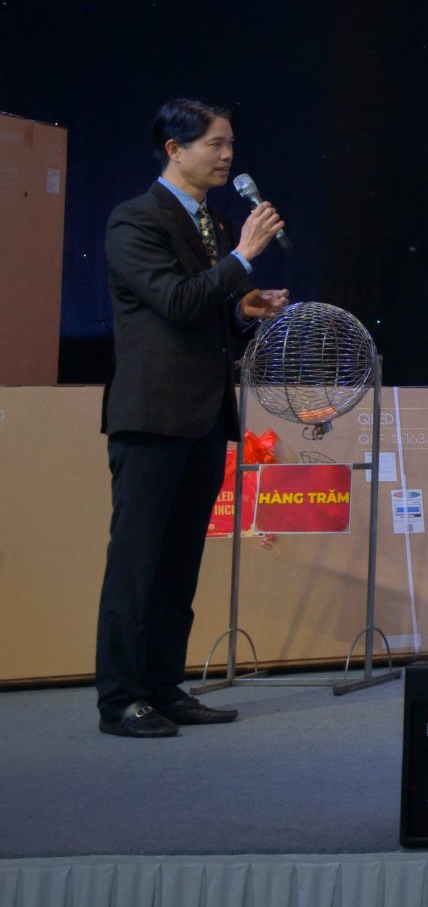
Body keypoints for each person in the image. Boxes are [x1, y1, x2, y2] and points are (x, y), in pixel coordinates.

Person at [95, 99, 288, 738]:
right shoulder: (135, 218)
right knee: (138, 562)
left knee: (179, 563)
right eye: (215, 144)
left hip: (204, 415)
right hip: (153, 416)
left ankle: (164, 686)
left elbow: (202, 311)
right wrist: (244, 257)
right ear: (175, 149)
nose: (228, 156)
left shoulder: (211, 221)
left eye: (231, 143)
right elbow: (175, 303)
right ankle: (121, 699)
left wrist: (241, 310)